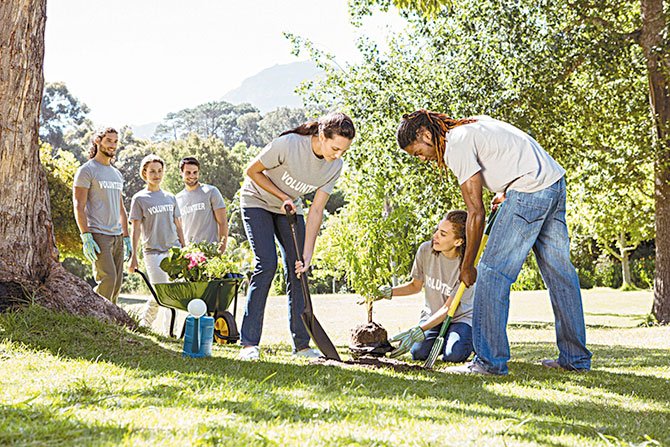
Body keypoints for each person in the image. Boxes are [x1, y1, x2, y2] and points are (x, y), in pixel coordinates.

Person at [396, 110, 592, 375]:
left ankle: (489, 363)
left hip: (530, 190)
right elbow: (511, 153)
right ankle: (575, 358)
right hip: (553, 183)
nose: (421, 158)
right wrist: (504, 190)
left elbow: (475, 213)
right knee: (561, 276)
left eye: (417, 152)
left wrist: (468, 266)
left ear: (424, 134)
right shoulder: (474, 124)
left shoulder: (456, 143)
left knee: (491, 274)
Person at [238, 112, 355, 361]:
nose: (337, 155)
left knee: (299, 269)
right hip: (256, 201)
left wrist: (308, 253)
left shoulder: (335, 165)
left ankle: (301, 347)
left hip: (290, 210)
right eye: (335, 148)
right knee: (266, 264)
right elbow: (252, 171)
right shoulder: (289, 145)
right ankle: (248, 344)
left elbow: (316, 210)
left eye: (342, 151)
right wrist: (283, 196)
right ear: (322, 136)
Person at [379, 210, 474, 363]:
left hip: (460, 319)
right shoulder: (425, 250)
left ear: (458, 241)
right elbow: (415, 286)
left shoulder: (467, 267)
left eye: (443, 234)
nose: (435, 236)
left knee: (453, 355)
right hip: (432, 317)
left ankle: (466, 337)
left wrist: (418, 331)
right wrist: (389, 292)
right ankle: (446, 338)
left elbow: (448, 309)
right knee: (418, 353)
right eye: (437, 230)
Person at [73, 127, 131, 304]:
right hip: (99, 234)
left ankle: (111, 323)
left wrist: (126, 236)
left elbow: (121, 208)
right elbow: (79, 205)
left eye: (115, 141)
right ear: (97, 141)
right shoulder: (87, 170)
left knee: (117, 283)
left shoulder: (117, 174)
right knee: (108, 279)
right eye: (108, 141)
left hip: (117, 235)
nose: (112, 145)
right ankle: (95, 316)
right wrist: (86, 236)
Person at [128, 154, 185, 329]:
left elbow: (178, 225)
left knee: (173, 293)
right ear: (144, 173)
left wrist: (184, 247)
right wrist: (133, 256)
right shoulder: (139, 199)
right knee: (160, 292)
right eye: (152, 171)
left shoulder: (170, 197)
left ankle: (170, 331)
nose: (156, 175)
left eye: (159, 171)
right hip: (153, 253)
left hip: (174, 251)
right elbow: (136, 229)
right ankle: (145, 324)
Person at [175, 157, 228, 251]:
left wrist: (221, 249)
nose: (192, 176)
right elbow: (179, 229)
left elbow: (223, 223)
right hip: (189, 253)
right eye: (188, 172)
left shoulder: (211, 191)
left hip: (210, 250)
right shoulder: (177, 199)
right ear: (181, 173)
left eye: (195, 172)